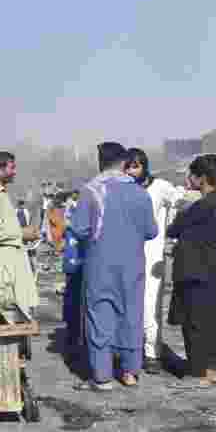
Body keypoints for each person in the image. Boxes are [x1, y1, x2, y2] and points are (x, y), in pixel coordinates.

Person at [70, 142, 158, 391]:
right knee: (132, 314)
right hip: (133, 265)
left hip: (100, 265)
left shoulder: (91, 190)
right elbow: (152, 231)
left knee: (100, 315)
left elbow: (79, 229)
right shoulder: (141, 193)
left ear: (100, 162)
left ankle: (102, 376)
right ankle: (130, 373)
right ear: (123, 162)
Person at [166, 154, 216, 387]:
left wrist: (183, 207)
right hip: (207, 271)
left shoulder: (203, 205)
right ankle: (209, 370)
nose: (188, 179)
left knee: (194, 323)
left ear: (201, 178)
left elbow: (174, 229)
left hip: (194, 272)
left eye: (191, 174)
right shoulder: (215, 203)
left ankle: (197, 374)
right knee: (208, 322)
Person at [125, 148, 183, 374]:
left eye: (136, 166)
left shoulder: (160, 187)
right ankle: (129, 350)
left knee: (150, 306)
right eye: (128, 166)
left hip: (152, 256)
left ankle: (152, 353)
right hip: (126, 255)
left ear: (144, 166)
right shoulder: (122, 189)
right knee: (128, 304)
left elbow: (181, 201)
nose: (132, 171)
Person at [0, 151, 40, 315]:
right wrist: (23, 233)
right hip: (2, 269)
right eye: (12, 168)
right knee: (8, 317)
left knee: (17, 314)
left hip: (8, 265)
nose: (15, 172)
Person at [62, 192, 86, 349]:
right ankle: (75, 336)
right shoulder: (81, 227)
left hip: (73, 265)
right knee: (76, 301)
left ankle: (73, 335)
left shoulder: (70, 224)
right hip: (79, 265)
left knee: (72, 300)